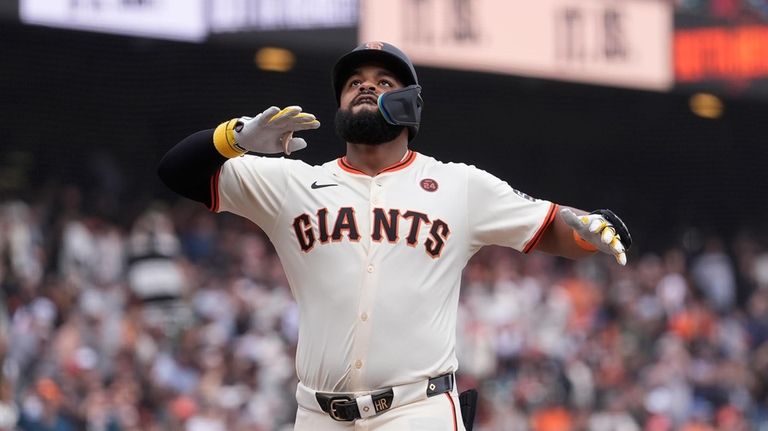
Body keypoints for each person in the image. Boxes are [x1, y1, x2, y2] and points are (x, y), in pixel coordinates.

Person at [157, 41, 631, 431]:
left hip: (417, 411)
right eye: (354, 83)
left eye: (384, 82)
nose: (365, 86)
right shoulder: (292, 184)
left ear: (410, 105)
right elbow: (177, 171)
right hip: (318, 416)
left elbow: (554, 229)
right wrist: (235, 138)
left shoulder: (457, 184)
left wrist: (591, 226)